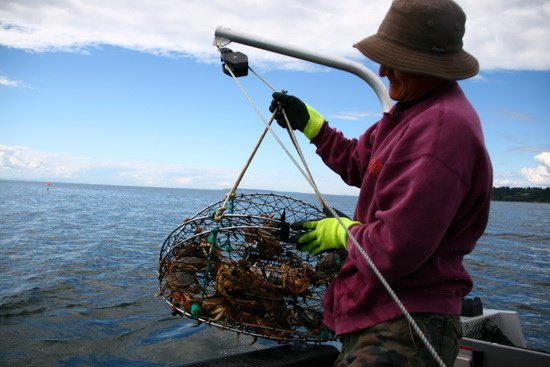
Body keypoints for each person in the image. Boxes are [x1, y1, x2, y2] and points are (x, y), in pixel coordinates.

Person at [269, 0, 493, 366]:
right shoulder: (411, 112)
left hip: (408, 323)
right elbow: (362, 166)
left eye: (396, 59)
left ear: (432, 65)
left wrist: (342, 233)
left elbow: (395, 248)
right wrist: (312, 125)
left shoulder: (441, 132)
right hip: (381, 310)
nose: (383, 69)